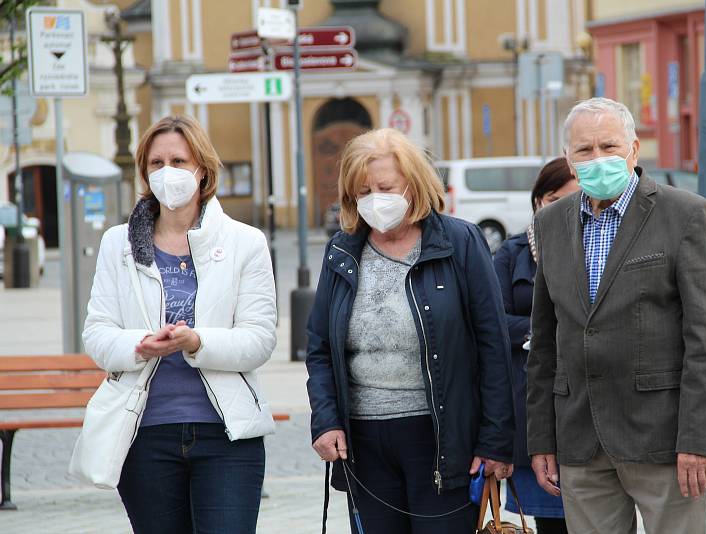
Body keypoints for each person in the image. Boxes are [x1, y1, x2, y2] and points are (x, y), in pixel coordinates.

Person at [527, 97, 706, 534]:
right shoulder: (551, 223)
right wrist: (541, 437)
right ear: (568, 158)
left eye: (608, 146)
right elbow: (545, 342)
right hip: (580, 436)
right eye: (584, 150)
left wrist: (697, 440)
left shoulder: (687, 215)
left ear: (634, 150)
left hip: (664, 439)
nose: (597, 159)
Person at [305, 128, 515, 533]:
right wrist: (326, 420)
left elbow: (492, 344)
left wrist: (495, 440)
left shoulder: (460, 241)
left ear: (413, 186)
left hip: (441, 438)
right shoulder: (343, 250)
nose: (374, 200)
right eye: (362, 191)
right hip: (364, 445)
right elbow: (319, 347)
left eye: (385, 187)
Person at [82, 115, 278, 534]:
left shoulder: (245, 242)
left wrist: (197, 341)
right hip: (144, 433)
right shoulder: (118, 243)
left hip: (227, 435)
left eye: (179, 160)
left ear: (202, 169)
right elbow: (97, 333)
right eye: (156, 163)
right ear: (144, 172)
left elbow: (259, 339)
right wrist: (140, 344)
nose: (167, 172)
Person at [492, 157, 577, 534]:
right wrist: (541, 332)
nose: (560, 208)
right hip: (532, 403)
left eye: (572, 199)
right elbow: (492, 320)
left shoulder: (596, 245)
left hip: (586, 402)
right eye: (553, 198)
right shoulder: (512, 254)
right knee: (550, 522)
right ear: (538, 200)